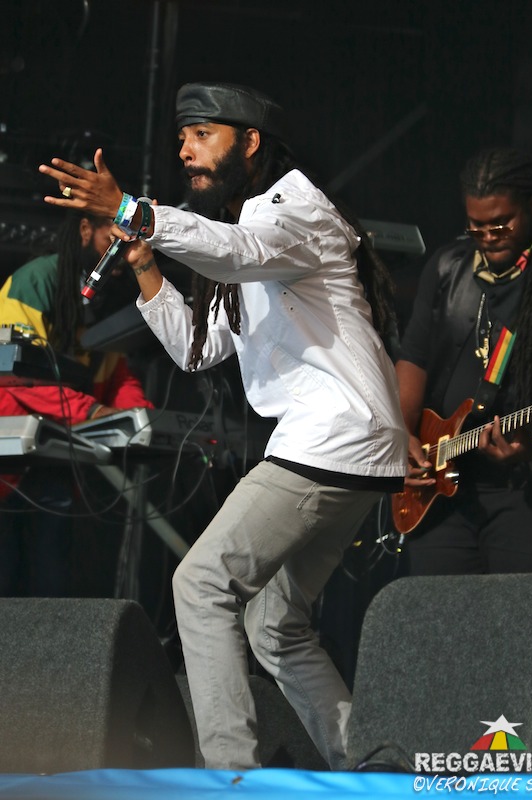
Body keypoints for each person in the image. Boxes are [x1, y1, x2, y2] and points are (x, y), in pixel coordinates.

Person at [39, 81, 408, 770]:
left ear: (251, 141)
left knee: (201, 583)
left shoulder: (294, 208)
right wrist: (147, 265)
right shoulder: (247, 228)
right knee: (275, 625)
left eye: (202, 135)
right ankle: (364, 765)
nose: (185, 150)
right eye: (181, 139)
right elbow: (197, 349)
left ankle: (230, 777)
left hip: (332, 438)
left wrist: (130, 209)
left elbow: (237, 251)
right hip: (348, 447)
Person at [395, 146, 532, 575]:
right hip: (442, 487)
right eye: (477, 228)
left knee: (515, 626)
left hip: (530, 495)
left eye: (500, 225)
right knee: (435, 621)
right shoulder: (450, 267)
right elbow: (414, 358)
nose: (488, 237)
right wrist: (403, 433)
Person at [0, 211, 153, 596]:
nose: (117, 259)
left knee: (52, 580)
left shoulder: (103, 299)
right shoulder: (37, 279)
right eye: (109, 243)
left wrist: (141, 418)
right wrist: (91, 412)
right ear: (85, 230)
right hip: (10, 449)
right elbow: (15, 374)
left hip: (57, 456)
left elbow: (115, 376)